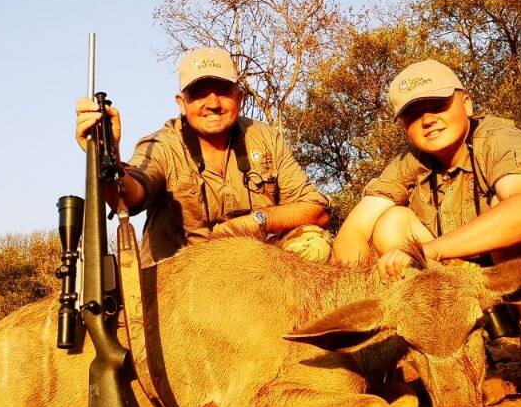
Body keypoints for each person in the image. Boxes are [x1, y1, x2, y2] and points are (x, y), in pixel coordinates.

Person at [333, 59, 521, 398]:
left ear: (467, 103)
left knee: (508, 213)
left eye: (438, 105)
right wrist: (373, 309)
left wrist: (430, 250)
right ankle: (478, 354)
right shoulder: (407, 163)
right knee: (390, 223)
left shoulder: (498, 139)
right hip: (481, 302)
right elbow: (352, 235)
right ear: (404, 126)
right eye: (414, 114)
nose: (428, 119)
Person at [75, 47, 331, 266]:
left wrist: (256, 221)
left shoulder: (266, 138)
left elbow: (315, 209)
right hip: (181, 285)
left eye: (222, 90)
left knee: (314, 244)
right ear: (181, 103)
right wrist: (106, 156)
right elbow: (129, 197)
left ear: (239, 97)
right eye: (198, 93)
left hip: (255, 276)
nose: (213, 103)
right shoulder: (162, 145)